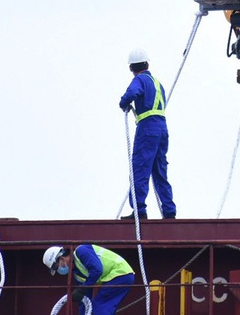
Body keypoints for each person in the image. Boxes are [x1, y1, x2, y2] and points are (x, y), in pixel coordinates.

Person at [119, 48, 177, 219]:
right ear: (147, 63)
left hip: (147, 128)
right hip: (162, 128)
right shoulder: (158, 83)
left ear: (131, 68)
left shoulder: (140, 80)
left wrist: (124, 103)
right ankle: (169, 210)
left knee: (140, 167)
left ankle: (139, 210)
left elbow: (131, 94)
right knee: (160, 170)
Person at [42, 244, 135, 315]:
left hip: (120, 273)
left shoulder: (81, 252)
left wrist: (82, 289)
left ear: (62, 259)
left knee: (99, 305)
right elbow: (85, 299)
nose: (59, 270)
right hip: (117, 277)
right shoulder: (78, 275)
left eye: (57, 267)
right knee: (100, 307)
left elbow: (97, 270)